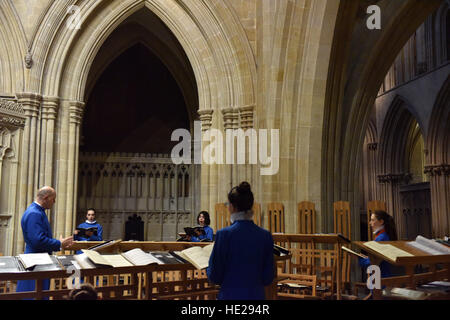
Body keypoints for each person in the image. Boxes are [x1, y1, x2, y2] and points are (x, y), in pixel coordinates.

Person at [207, 182, 274, 300]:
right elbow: (268, 278)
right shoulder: (265, 236)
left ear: (232, 207)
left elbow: (215, 276)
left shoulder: (224, 234)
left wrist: (207, 267)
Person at [16, 186, 73, 295]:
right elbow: (38, 240)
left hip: (38, 260)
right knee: (34, 294)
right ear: (46, 198)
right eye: (53, 199)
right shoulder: (34, 213)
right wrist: (59, 244)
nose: (54, 202)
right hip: (35, 261)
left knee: (38, 294)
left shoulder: (36, 211)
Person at [359, 210, 398, 278]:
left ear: (381, 222)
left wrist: (359, 259)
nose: (370, 223)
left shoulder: (381, 238)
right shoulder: (384, 236)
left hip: (380, 276)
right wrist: (367, 257)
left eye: (373, 220)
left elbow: (373, 261)